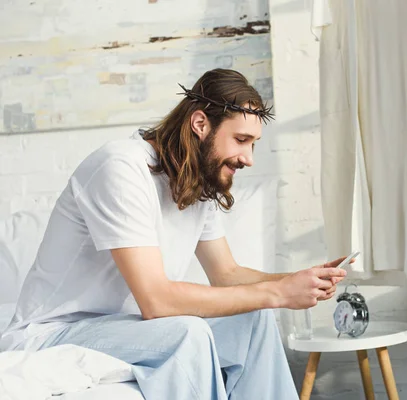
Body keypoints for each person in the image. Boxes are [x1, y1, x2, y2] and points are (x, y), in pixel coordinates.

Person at [0, 69, 349, 399]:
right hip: (53, 334)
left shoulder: (197, 180)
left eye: (254, 144)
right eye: (241, 140)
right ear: (200, 123)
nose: (248, 158)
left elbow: (227, 275)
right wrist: (277, 293)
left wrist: (300, 280)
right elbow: (157, 301)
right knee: (187, 332)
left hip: (126, 329)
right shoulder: (120, 167)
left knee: (252, 319)